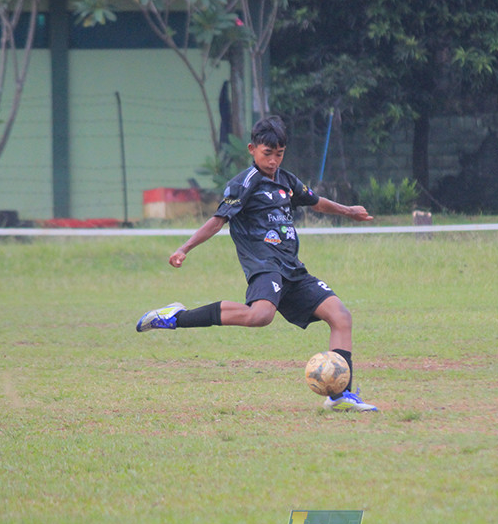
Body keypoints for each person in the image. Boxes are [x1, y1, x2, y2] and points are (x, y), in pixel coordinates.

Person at [136, 116, 378, 411]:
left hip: (293, 269)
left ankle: (340, 396)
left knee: (341, 316)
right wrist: (184, 248)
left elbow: (315, 201)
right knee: (261, 316)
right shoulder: (244, 184)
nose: (274, 160)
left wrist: (348, 211)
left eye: (279, 154)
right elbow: (217, 221)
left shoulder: (287, 181)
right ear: (252, 149)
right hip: (264, 264)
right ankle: (176, 316)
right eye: (267, 153)